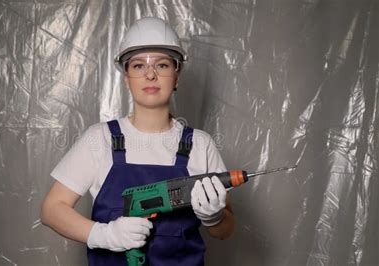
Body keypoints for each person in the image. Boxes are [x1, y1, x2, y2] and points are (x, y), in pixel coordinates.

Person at [41, 17, 235, 266]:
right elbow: (52, 209)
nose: (151, 74)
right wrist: (104, 235)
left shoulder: (201, 144)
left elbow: (225, 231)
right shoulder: (99, 139)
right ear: (126, 77)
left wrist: (215, 218)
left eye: (163, 65)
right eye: (138, 66)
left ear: (176, 77)